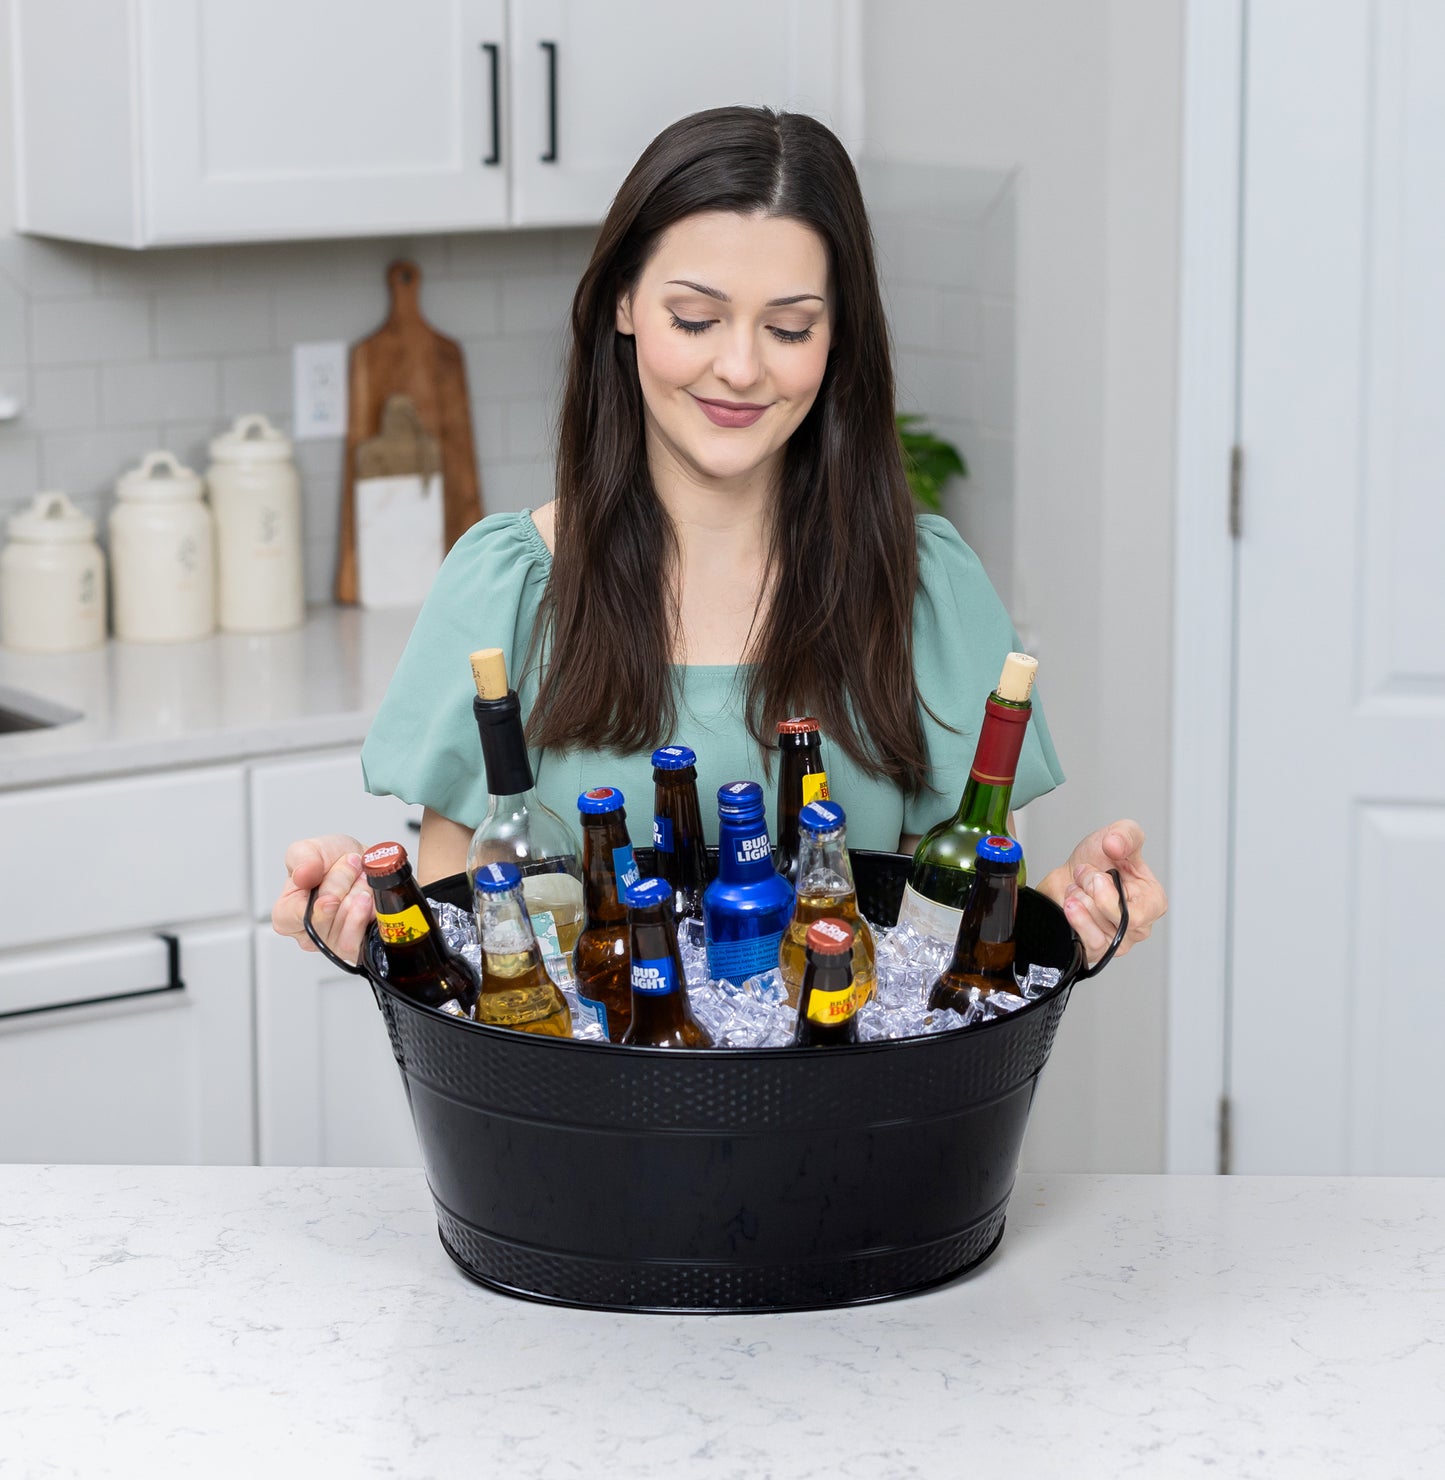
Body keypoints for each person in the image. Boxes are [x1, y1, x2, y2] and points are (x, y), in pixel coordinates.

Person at [271, 106, 1166, 968]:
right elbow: (468, 956)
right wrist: (371, 920)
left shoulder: (924, 588)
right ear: (622, 303)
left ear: (837, 336)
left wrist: (1063, 916)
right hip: (576, 1124)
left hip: (863, 1120)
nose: (740, 367)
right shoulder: (506, 585)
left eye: (789, 328)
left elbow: (954, 952)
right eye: (694, 319)